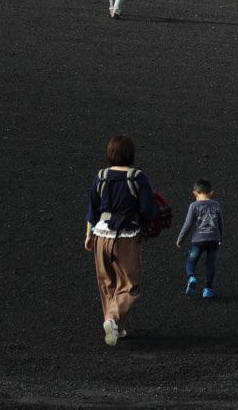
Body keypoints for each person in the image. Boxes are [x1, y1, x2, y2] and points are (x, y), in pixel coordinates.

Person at [84, 135, 158, 347]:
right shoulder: (137, 178)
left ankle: (118, 328)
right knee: (130, 285)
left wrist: (88, 235)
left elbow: (92, 210)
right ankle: (113, 318)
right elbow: (147, 210)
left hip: (100, 234)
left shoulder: (101, 177)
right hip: (125, 236)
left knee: (107, 283)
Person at [175, 179, 222, 299]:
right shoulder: (216, 204)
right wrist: (220, 237)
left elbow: (188, 224)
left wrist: (180, 238)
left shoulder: (194, 206)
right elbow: (220, 223)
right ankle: (207, 290)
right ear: (211, 193)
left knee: (191, 261)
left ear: (195, 193)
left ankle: (192, 277)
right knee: (210, 264)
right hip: (214, 240)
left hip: (198, 240)